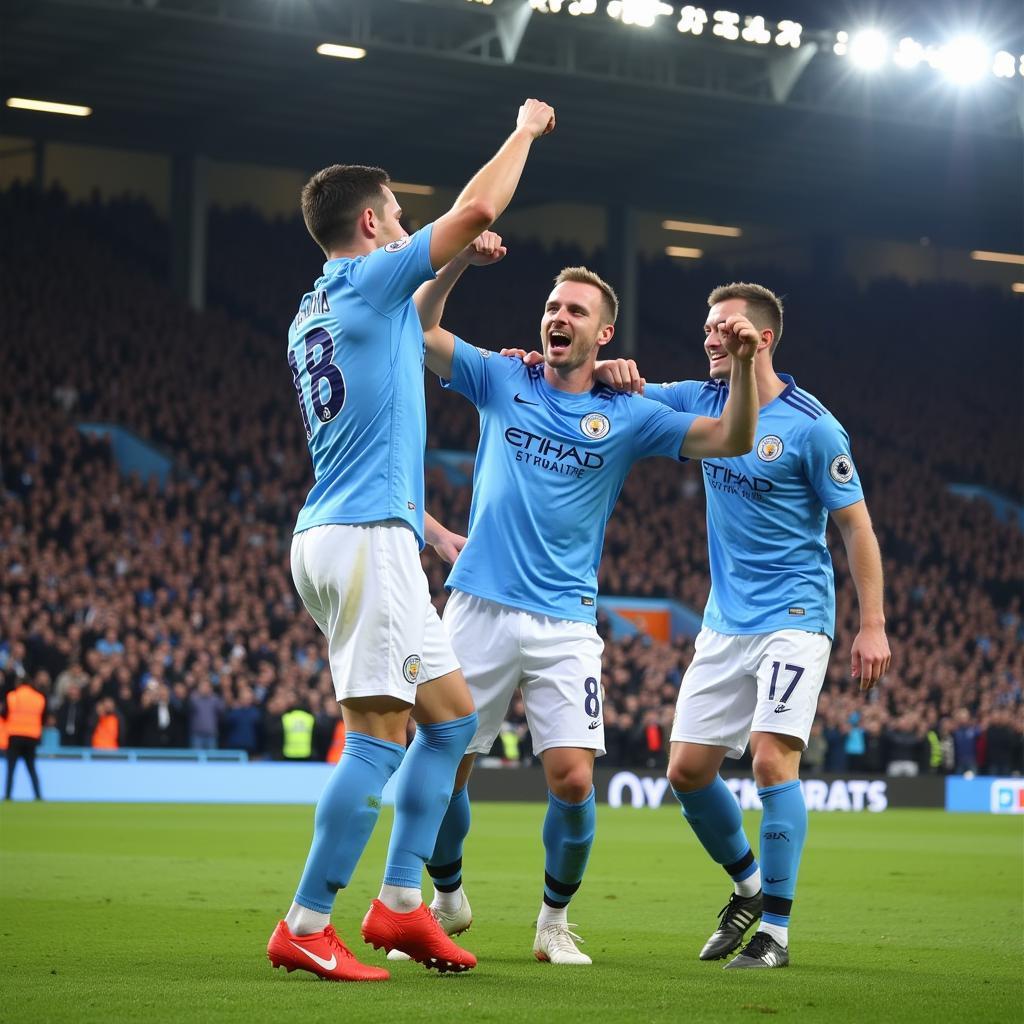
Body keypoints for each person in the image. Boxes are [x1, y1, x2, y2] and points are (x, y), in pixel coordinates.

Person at [390, 244, 758, 966]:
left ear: (603, 334)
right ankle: (445, 897)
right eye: (554, 307)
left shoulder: (628, 411)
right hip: (477, 606)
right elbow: (422, 329)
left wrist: (742, 366)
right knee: (442, 764)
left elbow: (733, 435)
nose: (559, 317)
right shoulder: (504, 376)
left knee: (574, 778)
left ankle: (553, 923)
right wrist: (459, 259)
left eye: (575, 311)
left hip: (564, 621)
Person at [265, 98, 558, 983]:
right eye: (396, 214)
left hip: (362, 529)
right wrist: (524, 131)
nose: (405, 225)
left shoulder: (319, 306)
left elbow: (416, 313)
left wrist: (425, 525)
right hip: (360, 542)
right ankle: (306, 923)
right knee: (376, 742)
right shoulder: (362, 279)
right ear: (369, 223)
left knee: (453, 720)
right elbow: (475, 209)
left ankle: (398, 910)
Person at [625, 282, 891, 969]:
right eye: (708, 326)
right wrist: (600, 368)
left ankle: (775, 932)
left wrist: (873, 624)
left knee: (772, 758)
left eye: (725, 328)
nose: (711, 336)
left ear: (762, 338)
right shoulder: (702, 400)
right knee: (686, 771)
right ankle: (747, 887)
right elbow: (626, 395)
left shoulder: (813, 425)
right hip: (724, 621)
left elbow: (854, 524)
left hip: (796, 615)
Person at [2, 676, 47, 800]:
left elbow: (4, 714)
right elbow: (43, 718)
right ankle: (38, 796)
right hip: (32, 736)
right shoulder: (39, 698)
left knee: (11, 769)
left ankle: (8, 796)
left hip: (15, 735)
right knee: (31, 768)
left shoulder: (12, 696)